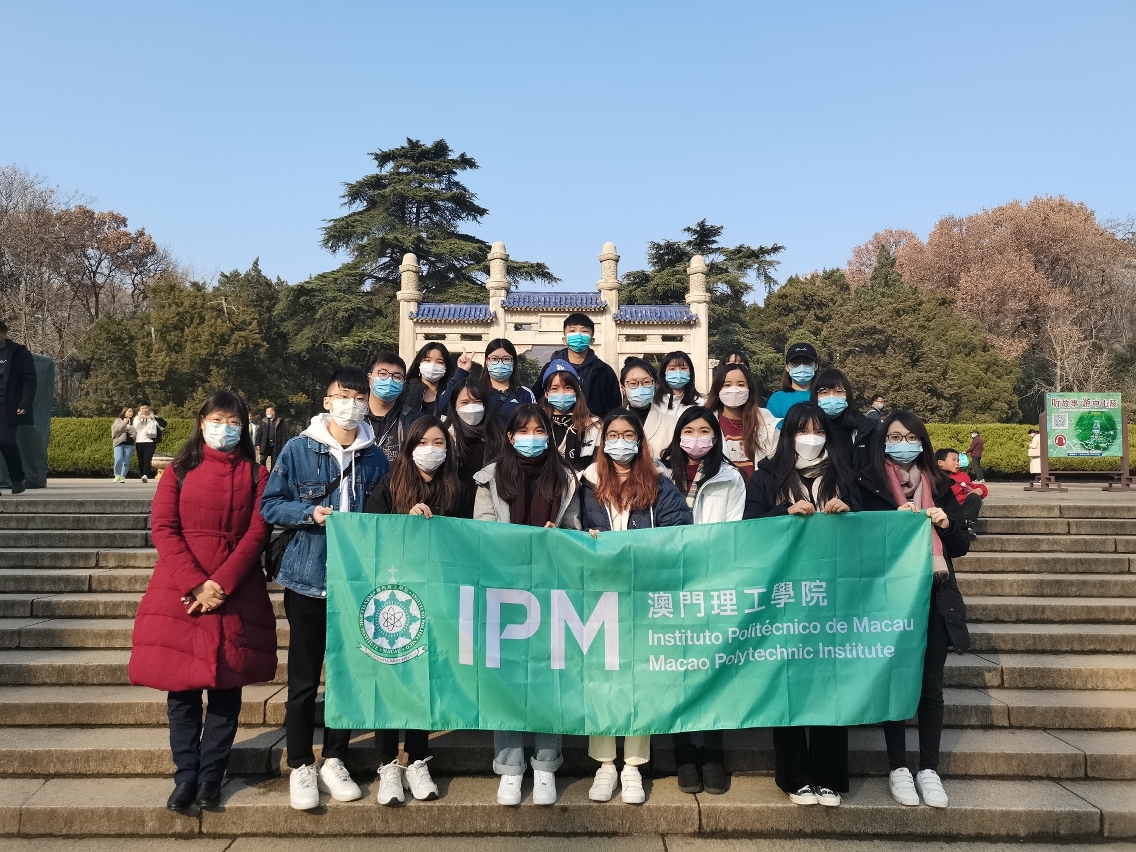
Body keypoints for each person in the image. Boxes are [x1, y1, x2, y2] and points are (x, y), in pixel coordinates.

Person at [128, 391, 275, 813]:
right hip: (179, 590)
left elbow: (258, 532)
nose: (224, 428)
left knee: (226, 691)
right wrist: (195, 584)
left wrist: (221, 584)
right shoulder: (179, 469)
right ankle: (185, 776)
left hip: (235, 590)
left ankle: (212, 776)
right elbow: (164, 527)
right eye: (217, 419)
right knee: (182, 693)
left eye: (233, 422)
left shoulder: (255, 474)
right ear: (202, 421)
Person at [260, 367, 390, 810]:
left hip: (356, 584)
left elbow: (385, 514)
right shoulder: (299, 449)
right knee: (303, 678)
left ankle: (335, 758)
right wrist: (308, 513)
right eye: (343, 396)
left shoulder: (376, 458)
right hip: (308, 578)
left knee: (346, 677)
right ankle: (300, 762)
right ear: (327, 401)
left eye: (359, 397)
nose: (351, 404)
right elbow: (270, 504)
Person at [855, 411, 971, 809]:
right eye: (894, 437)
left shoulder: (938, 483)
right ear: (882, 442)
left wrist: (945, 524)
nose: (902, 444)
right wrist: (889, 523)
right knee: (895, 680)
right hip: (890, 596)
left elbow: (960, 546)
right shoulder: (868, 483)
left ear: (922, 441)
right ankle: (898, 766)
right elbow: (858, 541)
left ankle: (930, 768)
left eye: (910, 437)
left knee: (930, 686)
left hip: (935, 592)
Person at [743, 402, 857, 807]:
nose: (811, 438)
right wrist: (783, 512)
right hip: (785, 595)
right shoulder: (767, 476)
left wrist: (849, 512)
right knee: (788, 683)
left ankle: (828, 776)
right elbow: (748, 528)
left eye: (819, 430)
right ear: (788, 435)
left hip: (833, 595)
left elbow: (870, 526)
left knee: (831, 683)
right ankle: (794, 777)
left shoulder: (843, 475)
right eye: (802, 430)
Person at [579, 408, 692, 803]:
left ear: (640, 442)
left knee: (639, 678)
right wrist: (584, 537)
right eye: (613, 435)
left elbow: (679, 533)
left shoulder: (661, 485)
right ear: (602, 441)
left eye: (629, 435)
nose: (620, 442)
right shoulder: (586, 482)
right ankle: (605, 765)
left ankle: (632, 766)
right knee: (602, 678)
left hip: (645, 594)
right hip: (599, 596)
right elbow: (570, 529)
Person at [473, 403, 581, 806]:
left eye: (539, 431)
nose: (532, 438)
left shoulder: (566, 479)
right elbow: (482, 530)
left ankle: (546, 765)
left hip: (551, 589)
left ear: (549, 436)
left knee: (548, 677)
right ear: (510, 436)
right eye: (524, 431)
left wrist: (559, 537)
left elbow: (574, 529)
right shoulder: (489, 478)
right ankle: (510, 768)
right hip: (504, 589)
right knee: (506, 679)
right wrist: (518, 540)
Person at [364, 415, 473, 805]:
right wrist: (402, 522)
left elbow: (468, 540)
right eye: (423, 442)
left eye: (439, 443)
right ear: (410, 447)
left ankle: (417, 759)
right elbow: (369, 533)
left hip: (438, 596)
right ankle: (387, 764)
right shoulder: (390, 484)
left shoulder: (457, 489)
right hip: (394, 598)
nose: (432, 450)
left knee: (427, 676)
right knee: (391, 675)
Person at [659, 406, 744, 796]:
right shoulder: (660, 474)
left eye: (705, 430)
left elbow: (734, 533)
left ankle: (712, 752)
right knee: (677, 668)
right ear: (678, 435)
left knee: (712, 668)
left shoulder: (730, 477)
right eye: (689, 430)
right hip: (669, 584)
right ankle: (683, 751)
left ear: (716, 436)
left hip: (713, 582)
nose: (697, 437)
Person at [534, 313, 621, 418]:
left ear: (592, 340)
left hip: (594, 426)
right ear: (564, 340)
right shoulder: (550, 369)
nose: (578, 336)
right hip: (554, 426)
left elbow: (615, 408)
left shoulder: (604, 371)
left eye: (584, 331)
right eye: (572, 331)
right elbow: (536, 401)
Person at [704, 363, 778, 483]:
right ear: (718, 389)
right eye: (727, 385)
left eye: (741, 384)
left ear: (749, 388)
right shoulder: (706, 422)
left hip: (758, 490)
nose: (734, 389)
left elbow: (777, 458)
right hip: (722, 489)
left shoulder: (765, 421)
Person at [443, 339, 536, 428]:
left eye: (506, 359)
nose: (500, 363)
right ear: (487, 362)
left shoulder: (525, 394)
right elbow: (443, 407)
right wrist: (461, 372)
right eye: (494, 359)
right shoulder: (474, 391)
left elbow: (534, 425)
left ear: (513, 362)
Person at [810, 368, 877, 472]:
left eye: (838, 391)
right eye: (824, 392)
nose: (831, 397)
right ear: (815, 397)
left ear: (847, 396)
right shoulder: (806, 430)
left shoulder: (865, 430)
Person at [539, 359, 601, 471]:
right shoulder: (538, 423)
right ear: (546, 394)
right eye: (554, 388)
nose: (562, 393)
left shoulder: (594, 425)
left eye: (568, 388)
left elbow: (599, 465)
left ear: (576, 392)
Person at [364, 352, 425, 464]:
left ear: (403, 383)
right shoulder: (354, 416)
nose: (389, 380)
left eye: (397, 377)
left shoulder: (415, 421)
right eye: (383, 374)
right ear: (369, 377)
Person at [444, 377, 501, 490]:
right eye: (465, 402)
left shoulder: (497, 435)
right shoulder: (445, 436)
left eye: (478, 402)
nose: (472, 407)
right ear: (454, 405)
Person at [0, 321, 35, 494]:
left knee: (6, 440)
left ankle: (17, 478)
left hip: (9, 404)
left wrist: (24, 402)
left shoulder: (18, 353)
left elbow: (30, 379)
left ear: (4, 333)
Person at [648, 350, 704, 457]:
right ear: (663, 372)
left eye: (683, 368)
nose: (678, 373)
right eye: (672, 369)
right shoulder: (652, 403)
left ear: (690, 372)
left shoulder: (700, 404)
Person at [936, 448, 987, 540]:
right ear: (940, 463)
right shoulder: (936, 477)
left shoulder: (962, 476)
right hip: (947, 510)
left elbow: (973, 486)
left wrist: (980, 490)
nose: (957, 463)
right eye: (954, 460)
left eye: (958, 460)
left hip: (962, 508)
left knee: (974, 498)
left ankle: (967, 523)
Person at [765, 342, 819, 420]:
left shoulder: (824, 395)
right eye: (795, 362)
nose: (802, 367)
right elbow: (772, 426)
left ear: (815, 367)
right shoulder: (777, 399)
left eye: (807, 362)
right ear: (787, 367)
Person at [404, 342, 455, 418]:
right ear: (419, 363)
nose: (433, 365)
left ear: (446, 367)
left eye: (439, 362)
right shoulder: (405, 390)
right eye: (427, 360)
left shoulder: (451, 393)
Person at [133, 405, 160, 483]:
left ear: (148, 408)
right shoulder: (137, 418)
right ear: (139, 409)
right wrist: (139, 418)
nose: (144, 410)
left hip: (150, 441)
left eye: (145, 408)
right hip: (139, 441)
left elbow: (160, 427)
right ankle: (142, 474)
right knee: (141, 459)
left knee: (147, 458)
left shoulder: (154, 417)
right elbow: (135, 428)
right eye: (142, 408)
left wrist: (152, 418)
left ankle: (145, 475)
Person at [112, 408, 136, 483]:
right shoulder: (118, 420)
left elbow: (135, 433)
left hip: (129, 444)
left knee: (126, 462)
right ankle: (117, 475)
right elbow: (115, 431)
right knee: (118, 459)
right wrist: (124, 423)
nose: (131, 413)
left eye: (132, 411)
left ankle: (122, 477)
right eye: (129, 411)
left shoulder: (134, 421)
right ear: (124, 412)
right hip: (119, 443)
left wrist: (130, 429)